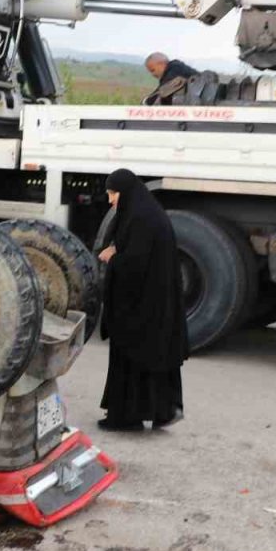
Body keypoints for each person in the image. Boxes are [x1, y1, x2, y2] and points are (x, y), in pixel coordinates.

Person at [96, 168, 188, 431]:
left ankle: (127, 417)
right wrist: (119, 249)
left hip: (141, 308)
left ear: (125, 193)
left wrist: (112, 257)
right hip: (151, 305)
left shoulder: (141, 219)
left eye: (113, 194)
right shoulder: (146, 214)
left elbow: (134, 265)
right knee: (150, 358)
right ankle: (160, 410)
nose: (111, 200)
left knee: (133, 357)